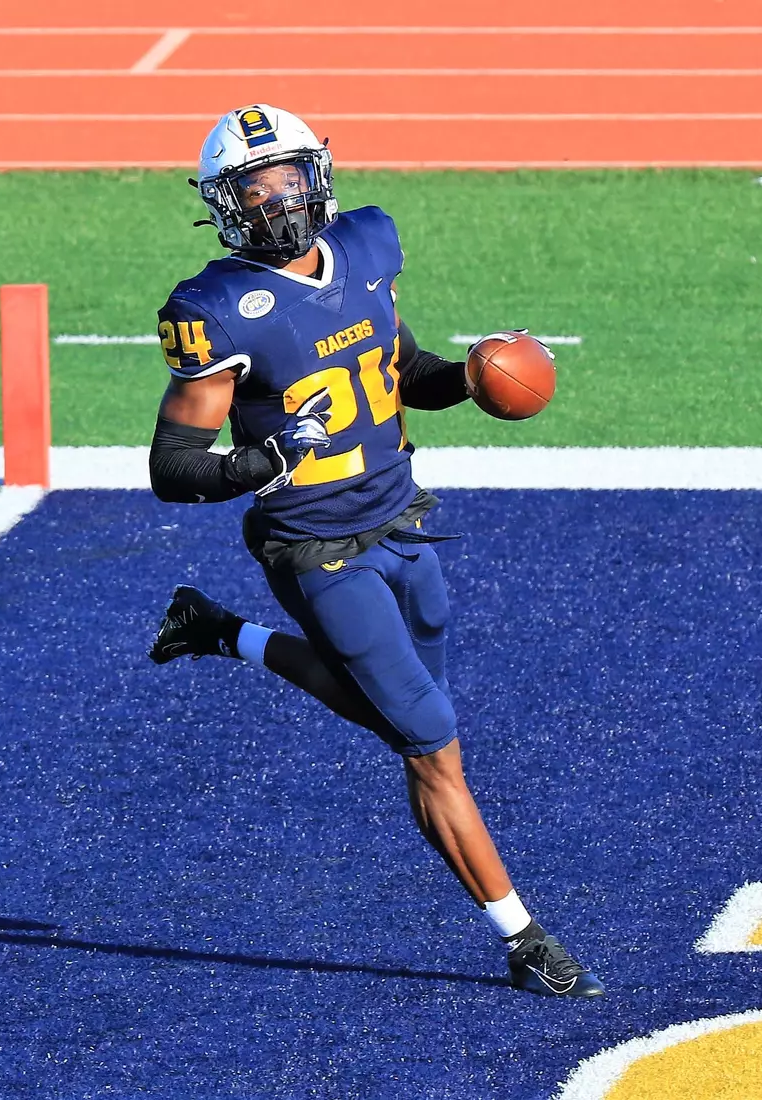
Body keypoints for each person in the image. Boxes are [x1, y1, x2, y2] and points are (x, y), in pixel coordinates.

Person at [143, 104, 603, 998]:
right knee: (431, 743)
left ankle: (215, 630)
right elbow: (172, 465)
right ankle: (524, 940)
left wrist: (471, 380)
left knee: (412, 724)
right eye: (254, 185)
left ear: (317, 175)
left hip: (401, 520)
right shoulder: (216, 309)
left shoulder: (368, 246)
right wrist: (263, 458)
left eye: (287, 176)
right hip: (315, 546)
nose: (276, 198)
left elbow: (404, 371)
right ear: (224, 205)